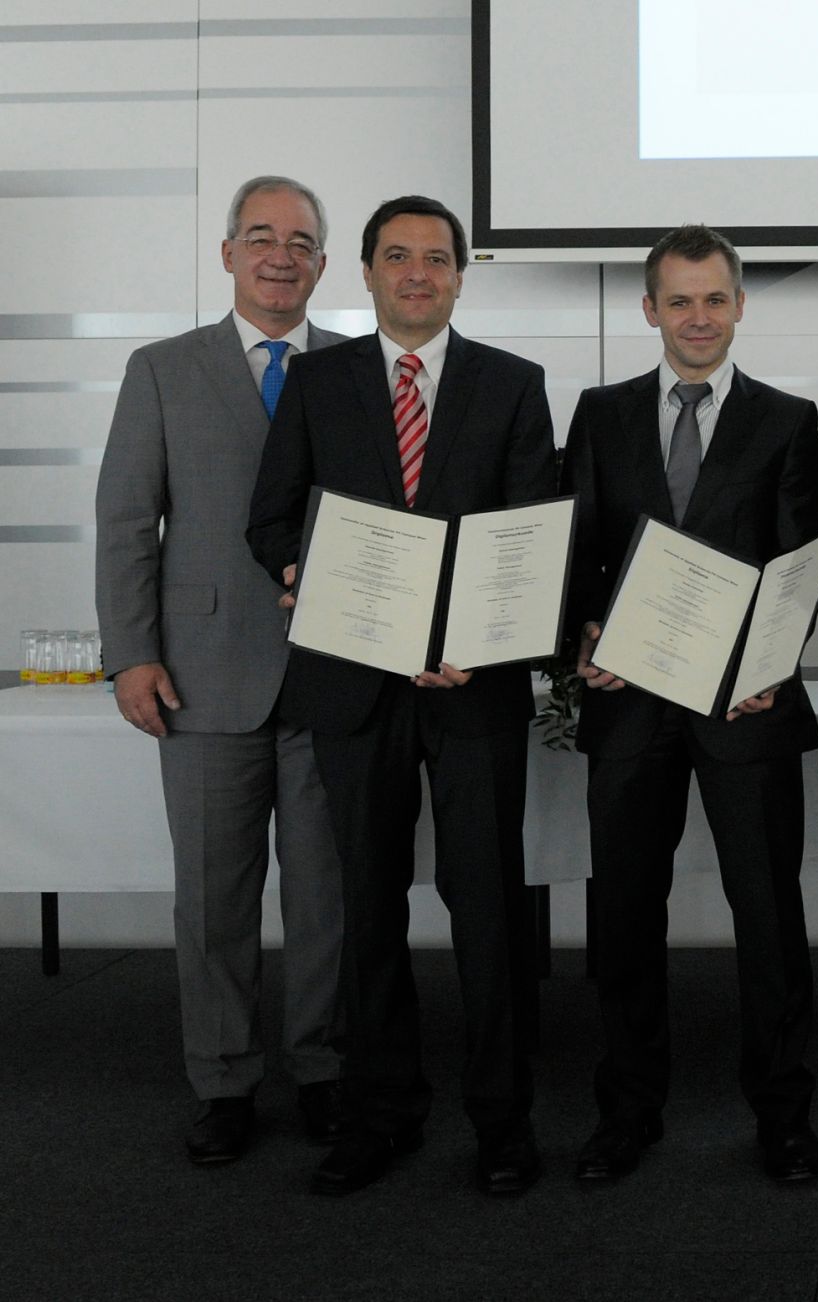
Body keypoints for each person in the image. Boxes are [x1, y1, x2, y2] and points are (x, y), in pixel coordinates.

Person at [246, 195, 557, 1196]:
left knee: (488, 909)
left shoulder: (513, 384)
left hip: (474, 688)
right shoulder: (318, 381)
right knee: (366, 908)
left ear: (461, 275)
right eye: (397, 256)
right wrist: (303, 575)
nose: (417, 273)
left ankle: (502, 1122)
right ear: (367, 272)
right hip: (354, 683)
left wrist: (479, 637)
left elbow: (532, 535)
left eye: (435, 258)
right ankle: (381, 1115)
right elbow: (271, 519)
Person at [562, 225, 818, 1184]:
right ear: (650, 310)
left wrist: (771, 662)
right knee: (625, 917)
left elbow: (800, 563)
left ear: (741, 304)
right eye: (680, 301)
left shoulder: (787, 419)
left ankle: (784, 1117)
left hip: (744, 706)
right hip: (630, 703)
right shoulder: (600, 414)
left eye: (715, 298)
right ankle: (627, 1112)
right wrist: (583, 632)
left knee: (769, 919)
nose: (699, 317)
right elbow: (577, 549)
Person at [94, 175, 348, 1165]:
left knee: (326, 897)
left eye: (301, 241)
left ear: (322, 263)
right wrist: (131, 654)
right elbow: (127, 521)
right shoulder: (162, 369)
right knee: (212, 899)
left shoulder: (356, 370)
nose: (281, 256)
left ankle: (324, 1069)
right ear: (229, 253)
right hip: (199, 676)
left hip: (333, 674)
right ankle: (225, 1081)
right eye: (262, 236)